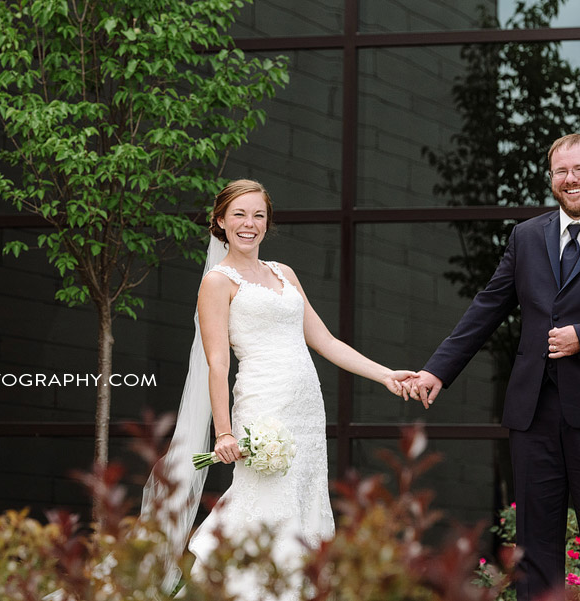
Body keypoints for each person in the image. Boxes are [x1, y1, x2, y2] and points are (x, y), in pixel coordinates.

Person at [406, 134, 580, 601]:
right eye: (561, 171)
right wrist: (438, 370)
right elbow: (486, 307)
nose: (571, 179)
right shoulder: (526, 236)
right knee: (534, 551)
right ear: (551, 178)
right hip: (533, 416)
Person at [142, 179, 414, 599]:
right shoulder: (217, 282)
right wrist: (225, 431)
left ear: (268, 223)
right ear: (220, 221)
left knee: (301, 508)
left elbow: (325, 341)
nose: (249, 224)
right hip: (262, 410)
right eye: (239, 214)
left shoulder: (284, 273)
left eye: (259, 215)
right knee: (263, 507)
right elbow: (217, 361)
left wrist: (385, 374)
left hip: (306, 412)